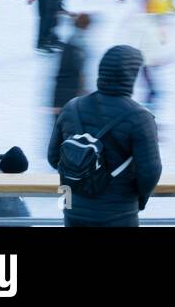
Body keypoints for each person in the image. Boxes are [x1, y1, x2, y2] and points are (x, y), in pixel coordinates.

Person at [47, 45, 162, 227]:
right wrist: (139, 200)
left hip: (74, 211)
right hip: (118, 215)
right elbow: (150, 173)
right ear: (131, 75)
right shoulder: (140, 118)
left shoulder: (72, 107)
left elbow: (54, 158)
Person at [51, 13, 92, 120]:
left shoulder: (71, 40)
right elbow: (79, 69)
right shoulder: (78, 43)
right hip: (69, 91)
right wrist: (82, 88)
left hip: (61, 89)